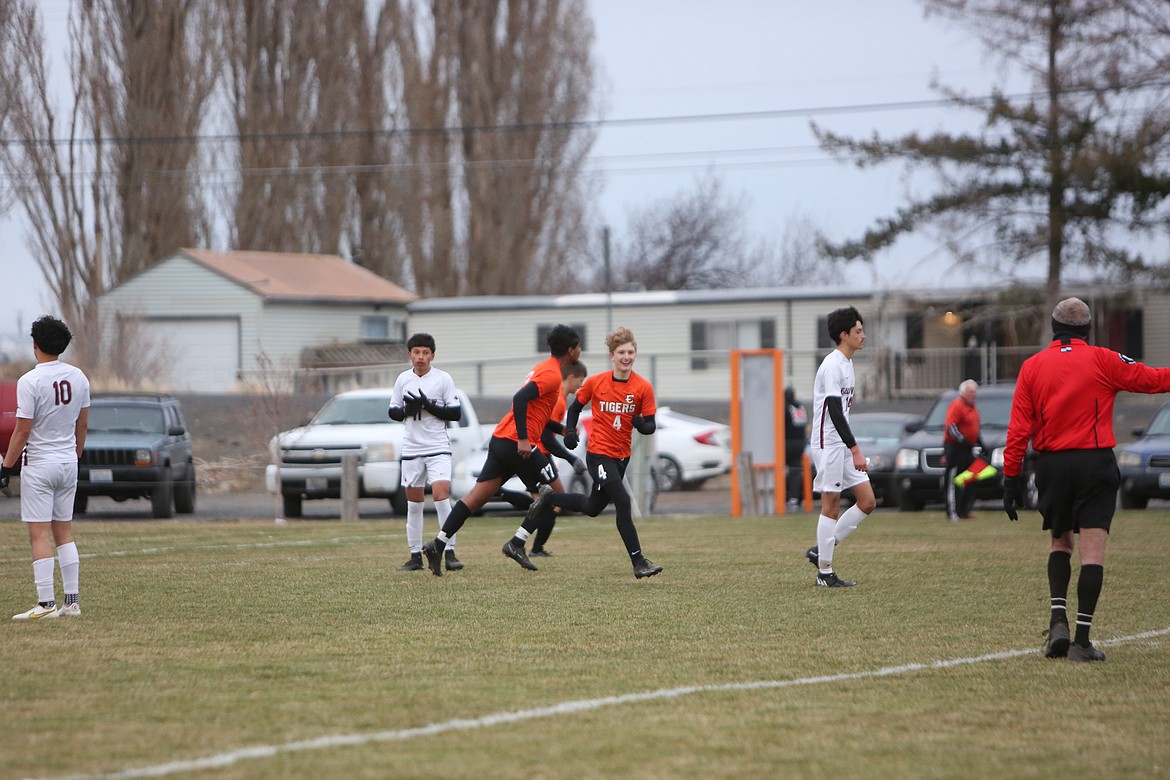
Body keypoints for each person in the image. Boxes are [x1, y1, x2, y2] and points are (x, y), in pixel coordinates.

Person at [1003, 297, 1170, 663]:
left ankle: (1057, 620)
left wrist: (1011, 476)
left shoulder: (1032, 367)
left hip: (1052, 465)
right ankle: (1081, 641)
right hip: (1094, 462)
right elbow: (1155, 380)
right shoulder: (1104, 359)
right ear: (1087, 330)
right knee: (1093, 551)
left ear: (1053, 327)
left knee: (1060, 544)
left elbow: (1019, 429)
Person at [420, 325, 582, 576]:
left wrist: (558, 428)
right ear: (571, 350)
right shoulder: (550, 375)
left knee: (475, 498)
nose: (580, 350)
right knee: (551, 497)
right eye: (578, 346)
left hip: (501, 439)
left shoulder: (545, 368)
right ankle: (517, 543)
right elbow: (519, 400)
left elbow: (534, 410)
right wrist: (524, 440)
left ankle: (438, 544)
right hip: (517, 444)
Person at [525, 327, 663, 579]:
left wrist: (642, 424)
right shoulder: (597, 382)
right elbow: (575, 407)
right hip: (599, 454)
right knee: (623, 501)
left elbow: (651, 425)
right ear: (612, 355)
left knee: (591, 507)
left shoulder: (643, 387)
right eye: (621, 352)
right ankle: (639, 561)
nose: (627, 356)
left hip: (622, 456)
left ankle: (549, 497)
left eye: (631, 352)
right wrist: (569, 432)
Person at [2, 316, 91, 620]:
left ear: (35, 344)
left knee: (39, 534)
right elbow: (83, 423)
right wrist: (74, 455)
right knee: (64, 532)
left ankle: (45, 604)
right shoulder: (79, 377)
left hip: (40, 464)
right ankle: (72, 602)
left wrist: (6, 465)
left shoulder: (30, 381)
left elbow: (22, 431)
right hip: (67, 462)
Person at [803, 306, 875, 588]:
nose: (863, 336)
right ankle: (824, 573)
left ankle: (822, 550)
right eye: (858, 331)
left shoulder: (847, 363)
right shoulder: (832, 364)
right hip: (829, 445)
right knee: (831, 504)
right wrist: (854, 448)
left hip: (842, 443)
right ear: (844, 335)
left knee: (867, 501)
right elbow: (833, 409)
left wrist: (851, 446)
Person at [388, 333, 464, 572]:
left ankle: (448, 550)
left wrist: (428, 405)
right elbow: (393, 411)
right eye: (416, 352)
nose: (420, 357)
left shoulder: (443, 379)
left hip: (438, 446)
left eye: (425, 353)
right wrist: (407, 410)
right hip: (412, 447)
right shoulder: (403, 379)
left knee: (442, 496)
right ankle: (415, 555)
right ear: (409, 354)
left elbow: (455, 413)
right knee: (414, 503)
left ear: (433, 355)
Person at [530, 360, 589, 557]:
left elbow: (549, 428)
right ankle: (524, 544)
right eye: (580, 381)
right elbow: (546, 437)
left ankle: (534, 547)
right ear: (570, 377)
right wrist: (572, 459)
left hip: (539, 452)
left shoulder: (560, 399)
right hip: (537, 452)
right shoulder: (558, 400)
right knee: (554, 500)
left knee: (546, 502)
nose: (581, 386)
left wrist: (567, 432)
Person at [944, 379, 985, 521]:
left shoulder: (973, 408)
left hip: (968, 449)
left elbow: (974, 429)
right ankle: (952, 512)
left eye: (974, 392)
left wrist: (980, 444)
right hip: (956, 448)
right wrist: (963, 440)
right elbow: (951, 428)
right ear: (963, 392)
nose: (973, 395)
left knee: (971, 478)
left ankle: (964, 510)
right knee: (955, 480)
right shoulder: (956, 405)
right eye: (970, 392)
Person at [783, 387, 808, 507]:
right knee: (795, 471)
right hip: (800, 442)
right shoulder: (801, 407)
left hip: (787, 442)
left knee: (782, 470)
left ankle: (784, 495)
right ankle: (794, 497)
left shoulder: (785, 408)